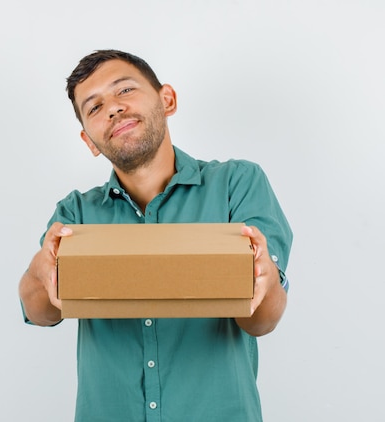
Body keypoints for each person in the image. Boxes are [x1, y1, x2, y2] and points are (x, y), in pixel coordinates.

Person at [18, 49, 292, 422]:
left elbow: (262, 320)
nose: (112, 108)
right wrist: (41, 271)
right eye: (94, 107)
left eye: (124, 90)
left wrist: (263, 279)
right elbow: (42, 311)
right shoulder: (76, 215)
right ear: (89, 141)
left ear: (167, 100)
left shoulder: (236, 184)